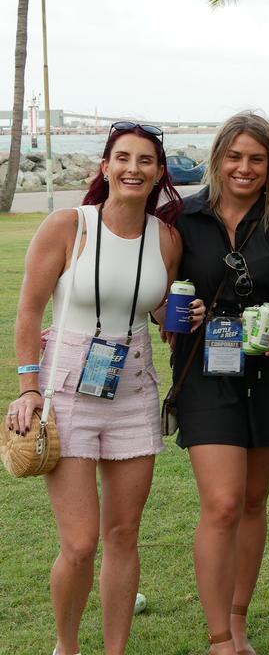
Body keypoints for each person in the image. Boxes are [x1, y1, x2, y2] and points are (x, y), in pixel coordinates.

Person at [7, 122, 188, 655]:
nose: (134, 169)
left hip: (133, 389)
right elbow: (28, 311)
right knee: (81, 542)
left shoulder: (167, 238)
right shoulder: (69, 226)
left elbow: (158, 310)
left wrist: (180, 316)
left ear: (159, 173)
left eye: (146, 161)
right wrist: (28, 388)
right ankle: (67, 646)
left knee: (124, 537)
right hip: (67, 392)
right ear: (105, 166)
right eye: (124, 158)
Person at [166, 112, 269, 654]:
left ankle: (238, 620)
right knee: (224, 504)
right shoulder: (183, 218)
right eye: (234, 156)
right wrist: (173, 311)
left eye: (257, 158)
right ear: (217, 159)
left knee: (254, 500)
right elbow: (158, 293)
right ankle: (218, 640)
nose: (245, 168)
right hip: (205, 373)